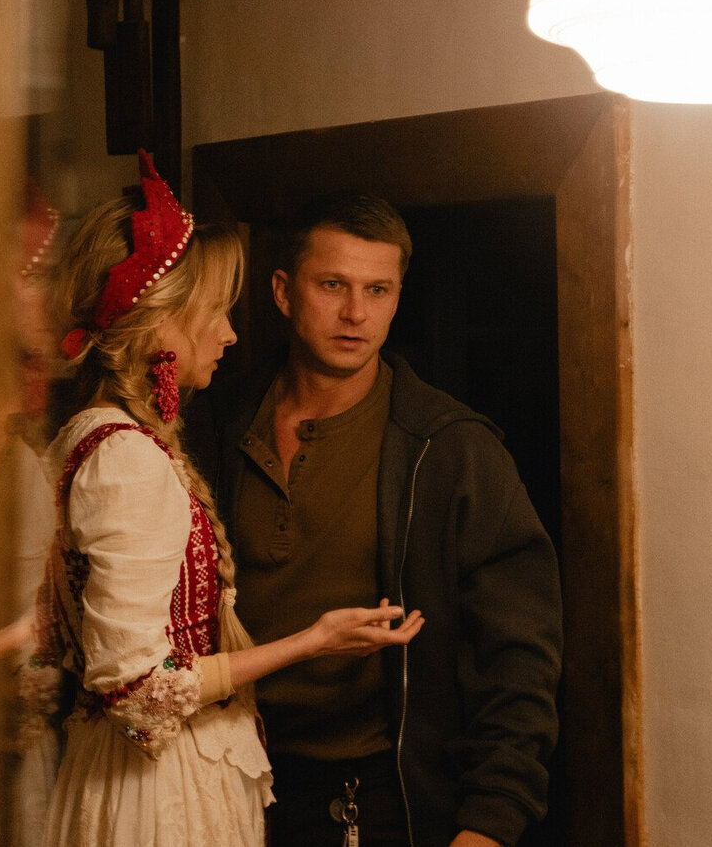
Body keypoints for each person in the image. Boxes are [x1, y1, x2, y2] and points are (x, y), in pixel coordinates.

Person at [22, 152, 424, 847]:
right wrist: (314, 640)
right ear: (160, 321)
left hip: (135, 775)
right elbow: (139, 692)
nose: (230, 333)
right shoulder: (125, 459)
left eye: (378, 289)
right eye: (213, 312)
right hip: (158, 790)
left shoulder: (90, 437)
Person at [184, 191, 563, 847]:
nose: (356, 312)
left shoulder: (448, 447)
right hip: (219, 775)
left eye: (378, 290)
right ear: (283, 292)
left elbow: (518, 656)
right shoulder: (213, 423)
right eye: (332, 284)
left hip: (375, 795)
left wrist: (490, 821)